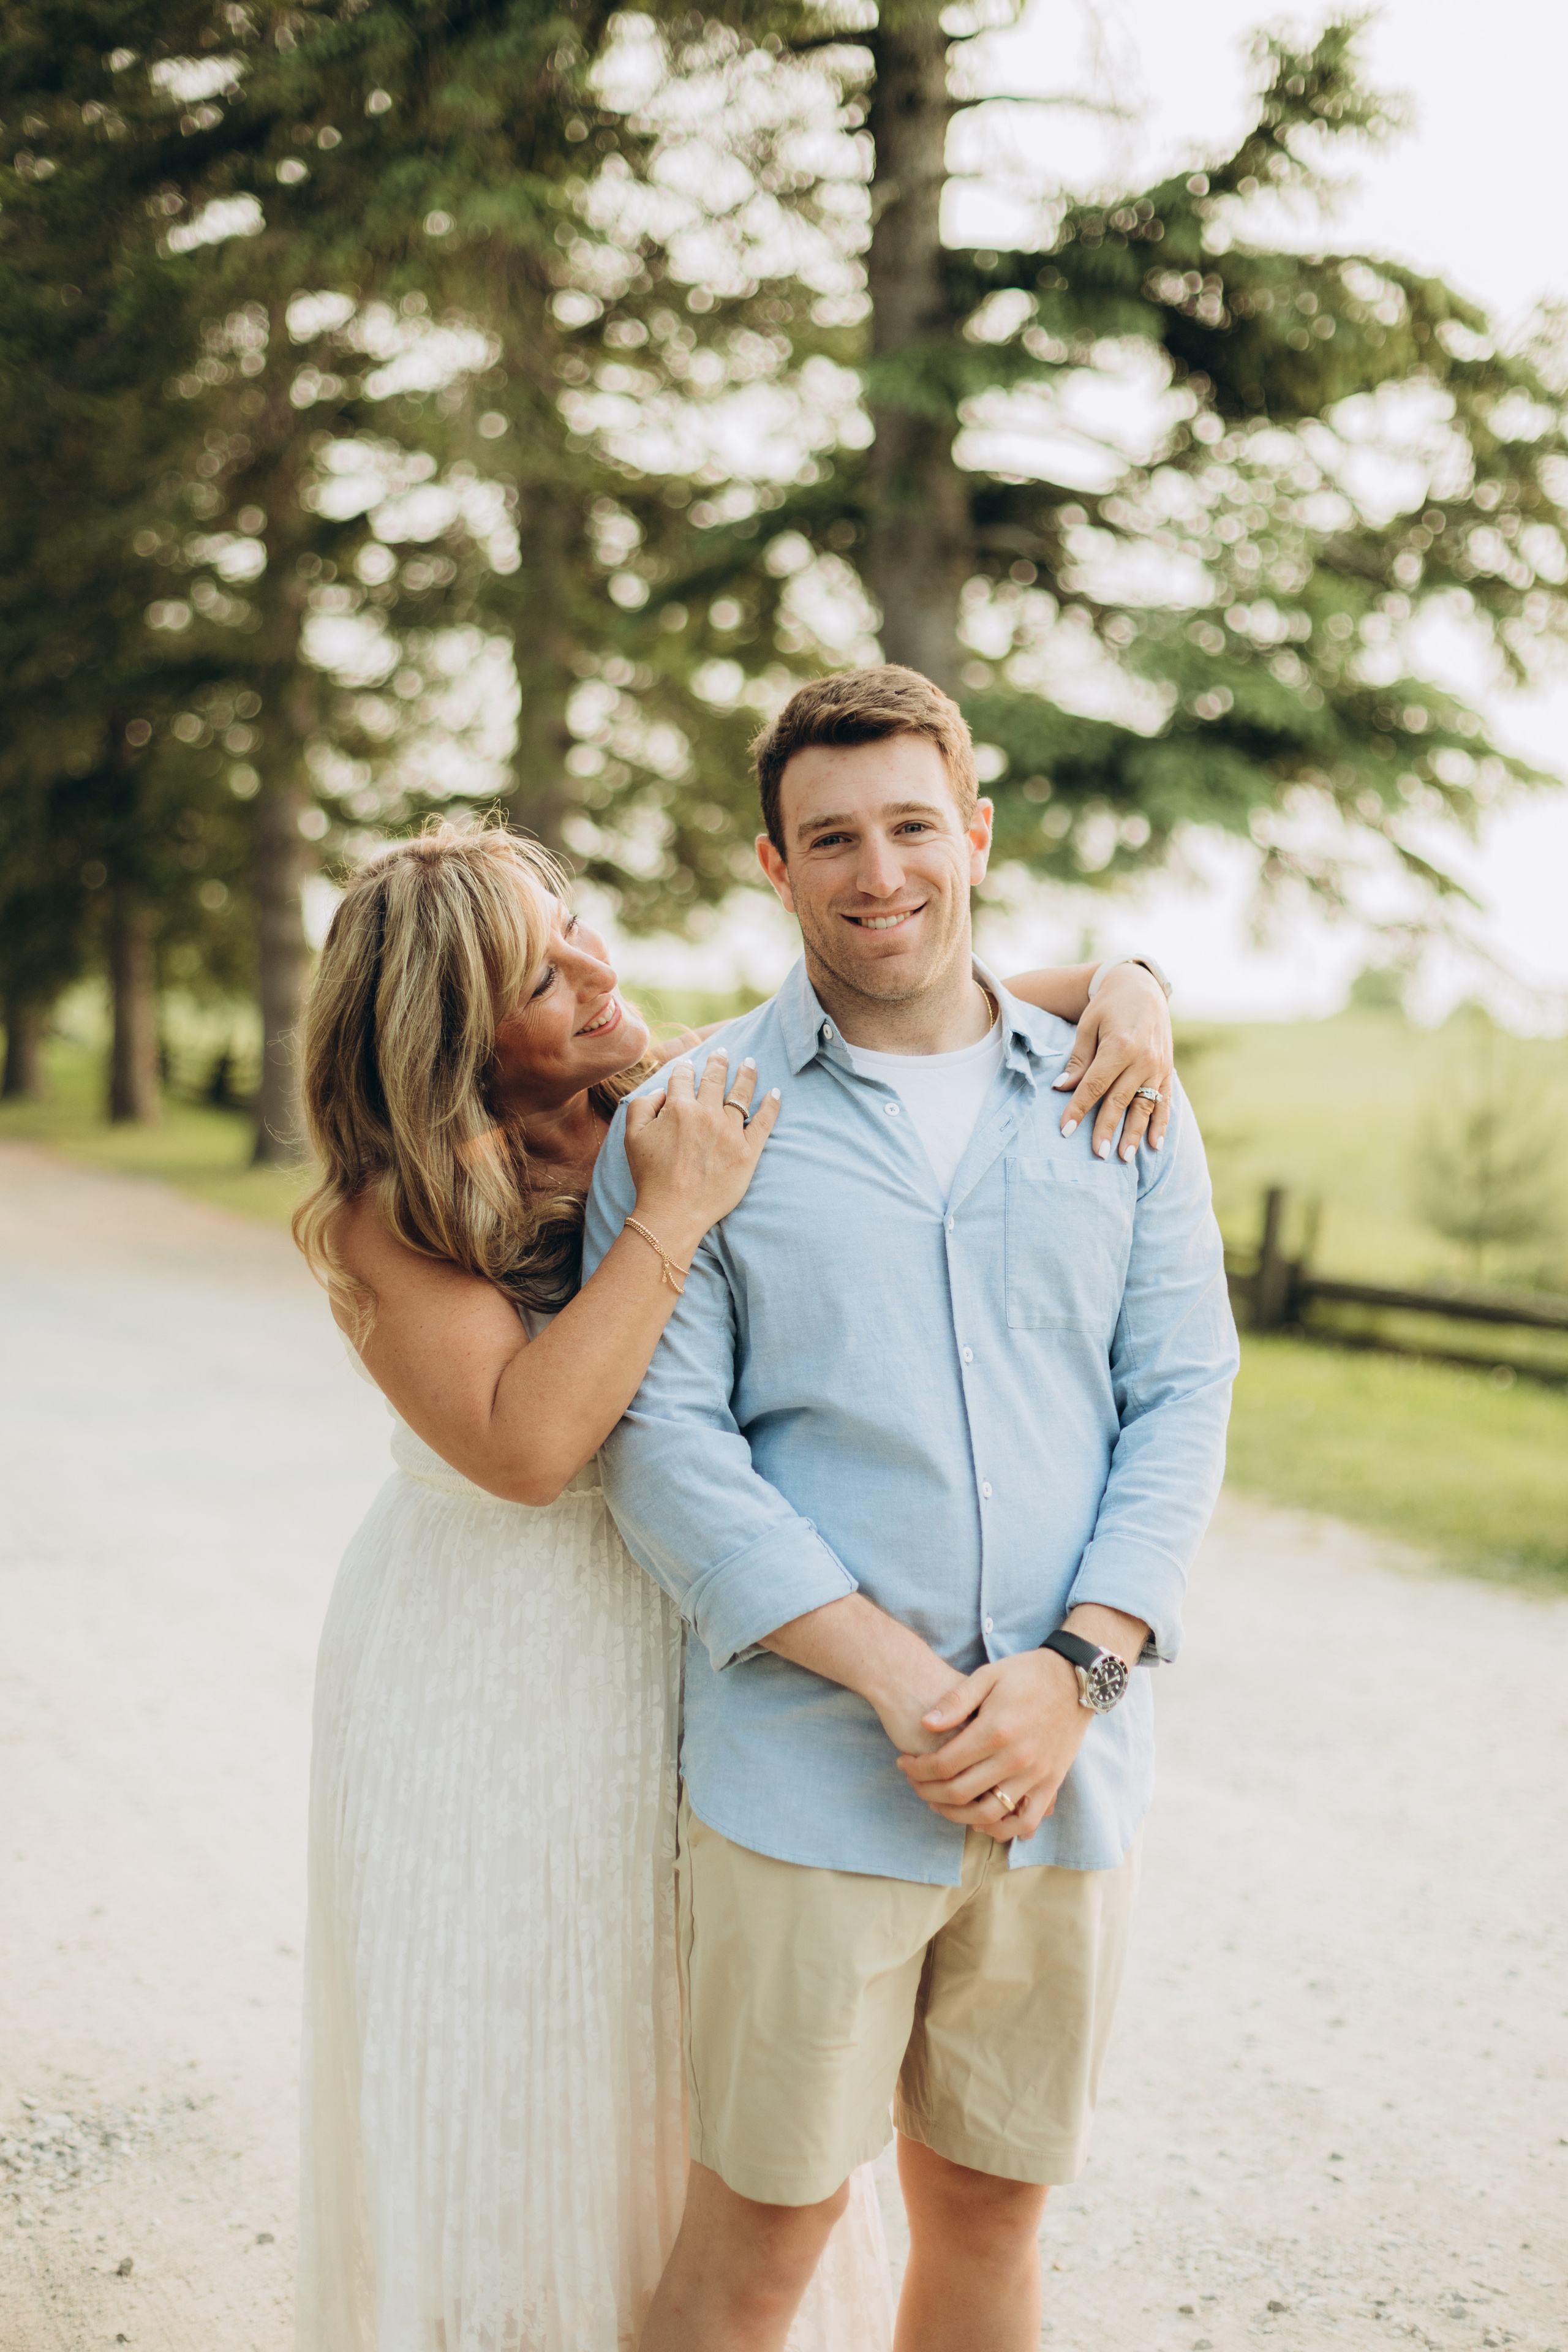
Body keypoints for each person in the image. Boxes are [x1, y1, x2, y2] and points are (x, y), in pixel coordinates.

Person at [289, 812, 1179, 2352]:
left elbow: (972, 998)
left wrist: (1131, 982)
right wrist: (677, 1211)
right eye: (533, 967)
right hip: (482, 1657)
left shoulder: (669, 1078)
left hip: (672, 1630)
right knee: (506, 2032)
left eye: (574, 919)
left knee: (662, 2061)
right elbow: (529, 1448)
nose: (590, 963)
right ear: (449, 1034)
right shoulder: (399, 1207)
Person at [585, 665, 1239, 2352]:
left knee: (993, 2219)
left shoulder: (1122, 1099)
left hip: (1061, 1777)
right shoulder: (693, 1120)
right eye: (831, 840)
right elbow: (666, 1448)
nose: (879, 873)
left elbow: (1182, 1393)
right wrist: (898, 1681)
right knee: (759, 2243)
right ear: (772, 865)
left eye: (909, 827)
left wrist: (1071, 1673)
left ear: (977, 833)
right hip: (810, 1780)